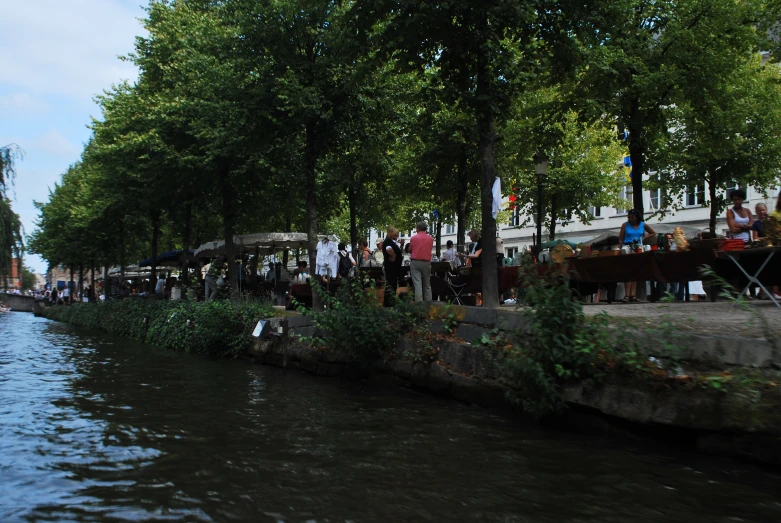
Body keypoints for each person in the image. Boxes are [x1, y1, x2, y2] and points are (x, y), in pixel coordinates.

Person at [618, 209, 656, 302]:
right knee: (628, 271)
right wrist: (619, 248)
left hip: (638, 248)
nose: (630, 219)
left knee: (635, 271)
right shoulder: (625, 225)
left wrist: (645, 237)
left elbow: (653, 233)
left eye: (632, 217)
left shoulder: (643, 225)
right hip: (627, 248)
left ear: (637, 217)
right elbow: (620, 239)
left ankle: (633, 295)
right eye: (629, 217)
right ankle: (626, 295)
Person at [409, 221, 434, 302]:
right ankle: (429, 304)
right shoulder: (430, 238)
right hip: (427, 263)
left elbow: (410, 249)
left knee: (417, 284)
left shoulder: (413, 238)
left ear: (418, 228)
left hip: (416, 262)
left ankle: (419, 305)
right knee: (427, 284)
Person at [383, 227, 403, 307]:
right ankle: (389, 303)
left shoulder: (390, 241)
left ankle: (390, 302)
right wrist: (394, 255)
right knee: (391, 284)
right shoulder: (388, 242)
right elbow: (388, 249)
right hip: (391, 267)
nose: (397, 236)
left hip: (393, 267)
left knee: (392, 284)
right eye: (395, 235)